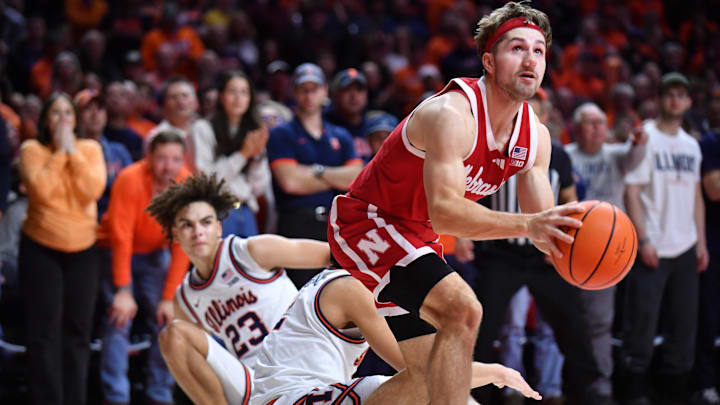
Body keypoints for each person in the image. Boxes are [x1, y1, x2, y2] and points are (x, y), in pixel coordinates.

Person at [327, 3, 587, 405]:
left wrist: (576, 244)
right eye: (517, 48)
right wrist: (530, 226)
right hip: (369, 222)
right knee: (464, 310)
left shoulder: (536, 137)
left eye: (539, 51)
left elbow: (542, 227)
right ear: (489, 60)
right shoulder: (452, 113)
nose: (530, 59)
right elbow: (446, 212)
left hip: (416, 237)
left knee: (427, 377)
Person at [145, 173, 332, 404]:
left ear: (219, 228)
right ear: (175, 234)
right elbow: (200, 365)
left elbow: (331, 255)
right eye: (187, 224)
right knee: (173, 335)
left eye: (205, 222)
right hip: (256, 381)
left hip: (304, 361)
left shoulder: (250, 252)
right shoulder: (185, 298)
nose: (198, 231)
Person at [250, 269, 541, 405]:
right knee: (405, 383)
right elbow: (419, 371)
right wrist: (495, 371)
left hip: (293, 394)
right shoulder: (352, 288)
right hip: (288, 398)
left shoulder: (347, 281)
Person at [620, 72, 708, 405]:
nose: (675, 100)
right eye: (668, 94)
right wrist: (643, 239)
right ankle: (634, 390)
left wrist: (701, 242)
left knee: (684, 326)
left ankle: (674, 391)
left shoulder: (691, 145)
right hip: (653, 243)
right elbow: (632, 190)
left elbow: (697, 195)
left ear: (687, 102)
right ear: (660, 99)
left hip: (685, 246)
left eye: (680, 95)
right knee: (642, 325)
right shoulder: (646, 137)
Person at [17, 92, 106, 405]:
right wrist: (59, 153)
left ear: (77, 120)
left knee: (78, 334)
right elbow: (41, 191)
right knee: (45, 334)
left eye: (69, 113)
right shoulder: (32, 149)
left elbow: (91, 190)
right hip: (41, 249)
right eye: (56, 113)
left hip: (84, 250)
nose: (63, 119)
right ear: (45, 120)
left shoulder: (90, 148)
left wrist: (73, 153)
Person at [98, 131, 191, 405]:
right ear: (149, 156)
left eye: (175, 159)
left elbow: (181, 244)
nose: (168, 166)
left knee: (169, 320)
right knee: (119, 319)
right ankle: (116, 397)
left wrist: (167, 297)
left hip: (155, 254)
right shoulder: (129, 178)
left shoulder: (185, 184)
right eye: (162, 158)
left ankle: (159, 395)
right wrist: (123, 290)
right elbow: (120, 237)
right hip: (112, 251)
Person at [564, 101, 647, 404]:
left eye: (601, 122)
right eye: (590, 122)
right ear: (575, 127)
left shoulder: (615, 155)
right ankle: (562, 385)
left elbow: (634, 157)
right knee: (563, 322)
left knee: (600, 322)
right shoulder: (565, 156)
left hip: (606, 253)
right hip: (568, 250)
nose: (598, 127)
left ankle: (601, 385)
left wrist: (637, 141)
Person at [267, 63, 363, 287]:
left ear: (324, 92)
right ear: (294, 92)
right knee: (301, 297)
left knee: (342, 294)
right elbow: (290, 182)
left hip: (336, 224)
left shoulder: (341, 135)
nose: (309, 94)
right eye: (303, 88)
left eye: (314, 88)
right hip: (297, 223)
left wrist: (314, 171)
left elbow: (355, 180)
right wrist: (335, 177)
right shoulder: (282, 134)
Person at [190, 70, 271, 237]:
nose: (238, 98)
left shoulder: (254, 131)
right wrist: (243, 155)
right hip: (216, 210)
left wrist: (255, 158)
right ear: (221, 96)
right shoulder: (203, 128)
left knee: (249, 263)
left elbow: (259, 187)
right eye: (232, 91)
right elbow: (207, 180)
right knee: (220, 263)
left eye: (244, 92)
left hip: (246, 209)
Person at [693, 95, 720, 405]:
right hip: (713, 240)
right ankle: (704, 383)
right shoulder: (711, 142)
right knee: (709, 317)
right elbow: (713, 189)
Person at [74, 88, 132, 219]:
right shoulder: (70, 152)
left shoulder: (119, 151)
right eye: (88, 109)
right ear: (76, 116)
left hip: (115, 218)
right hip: (80, 219)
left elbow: (130, 190)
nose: (95, 114)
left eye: (100, 109)